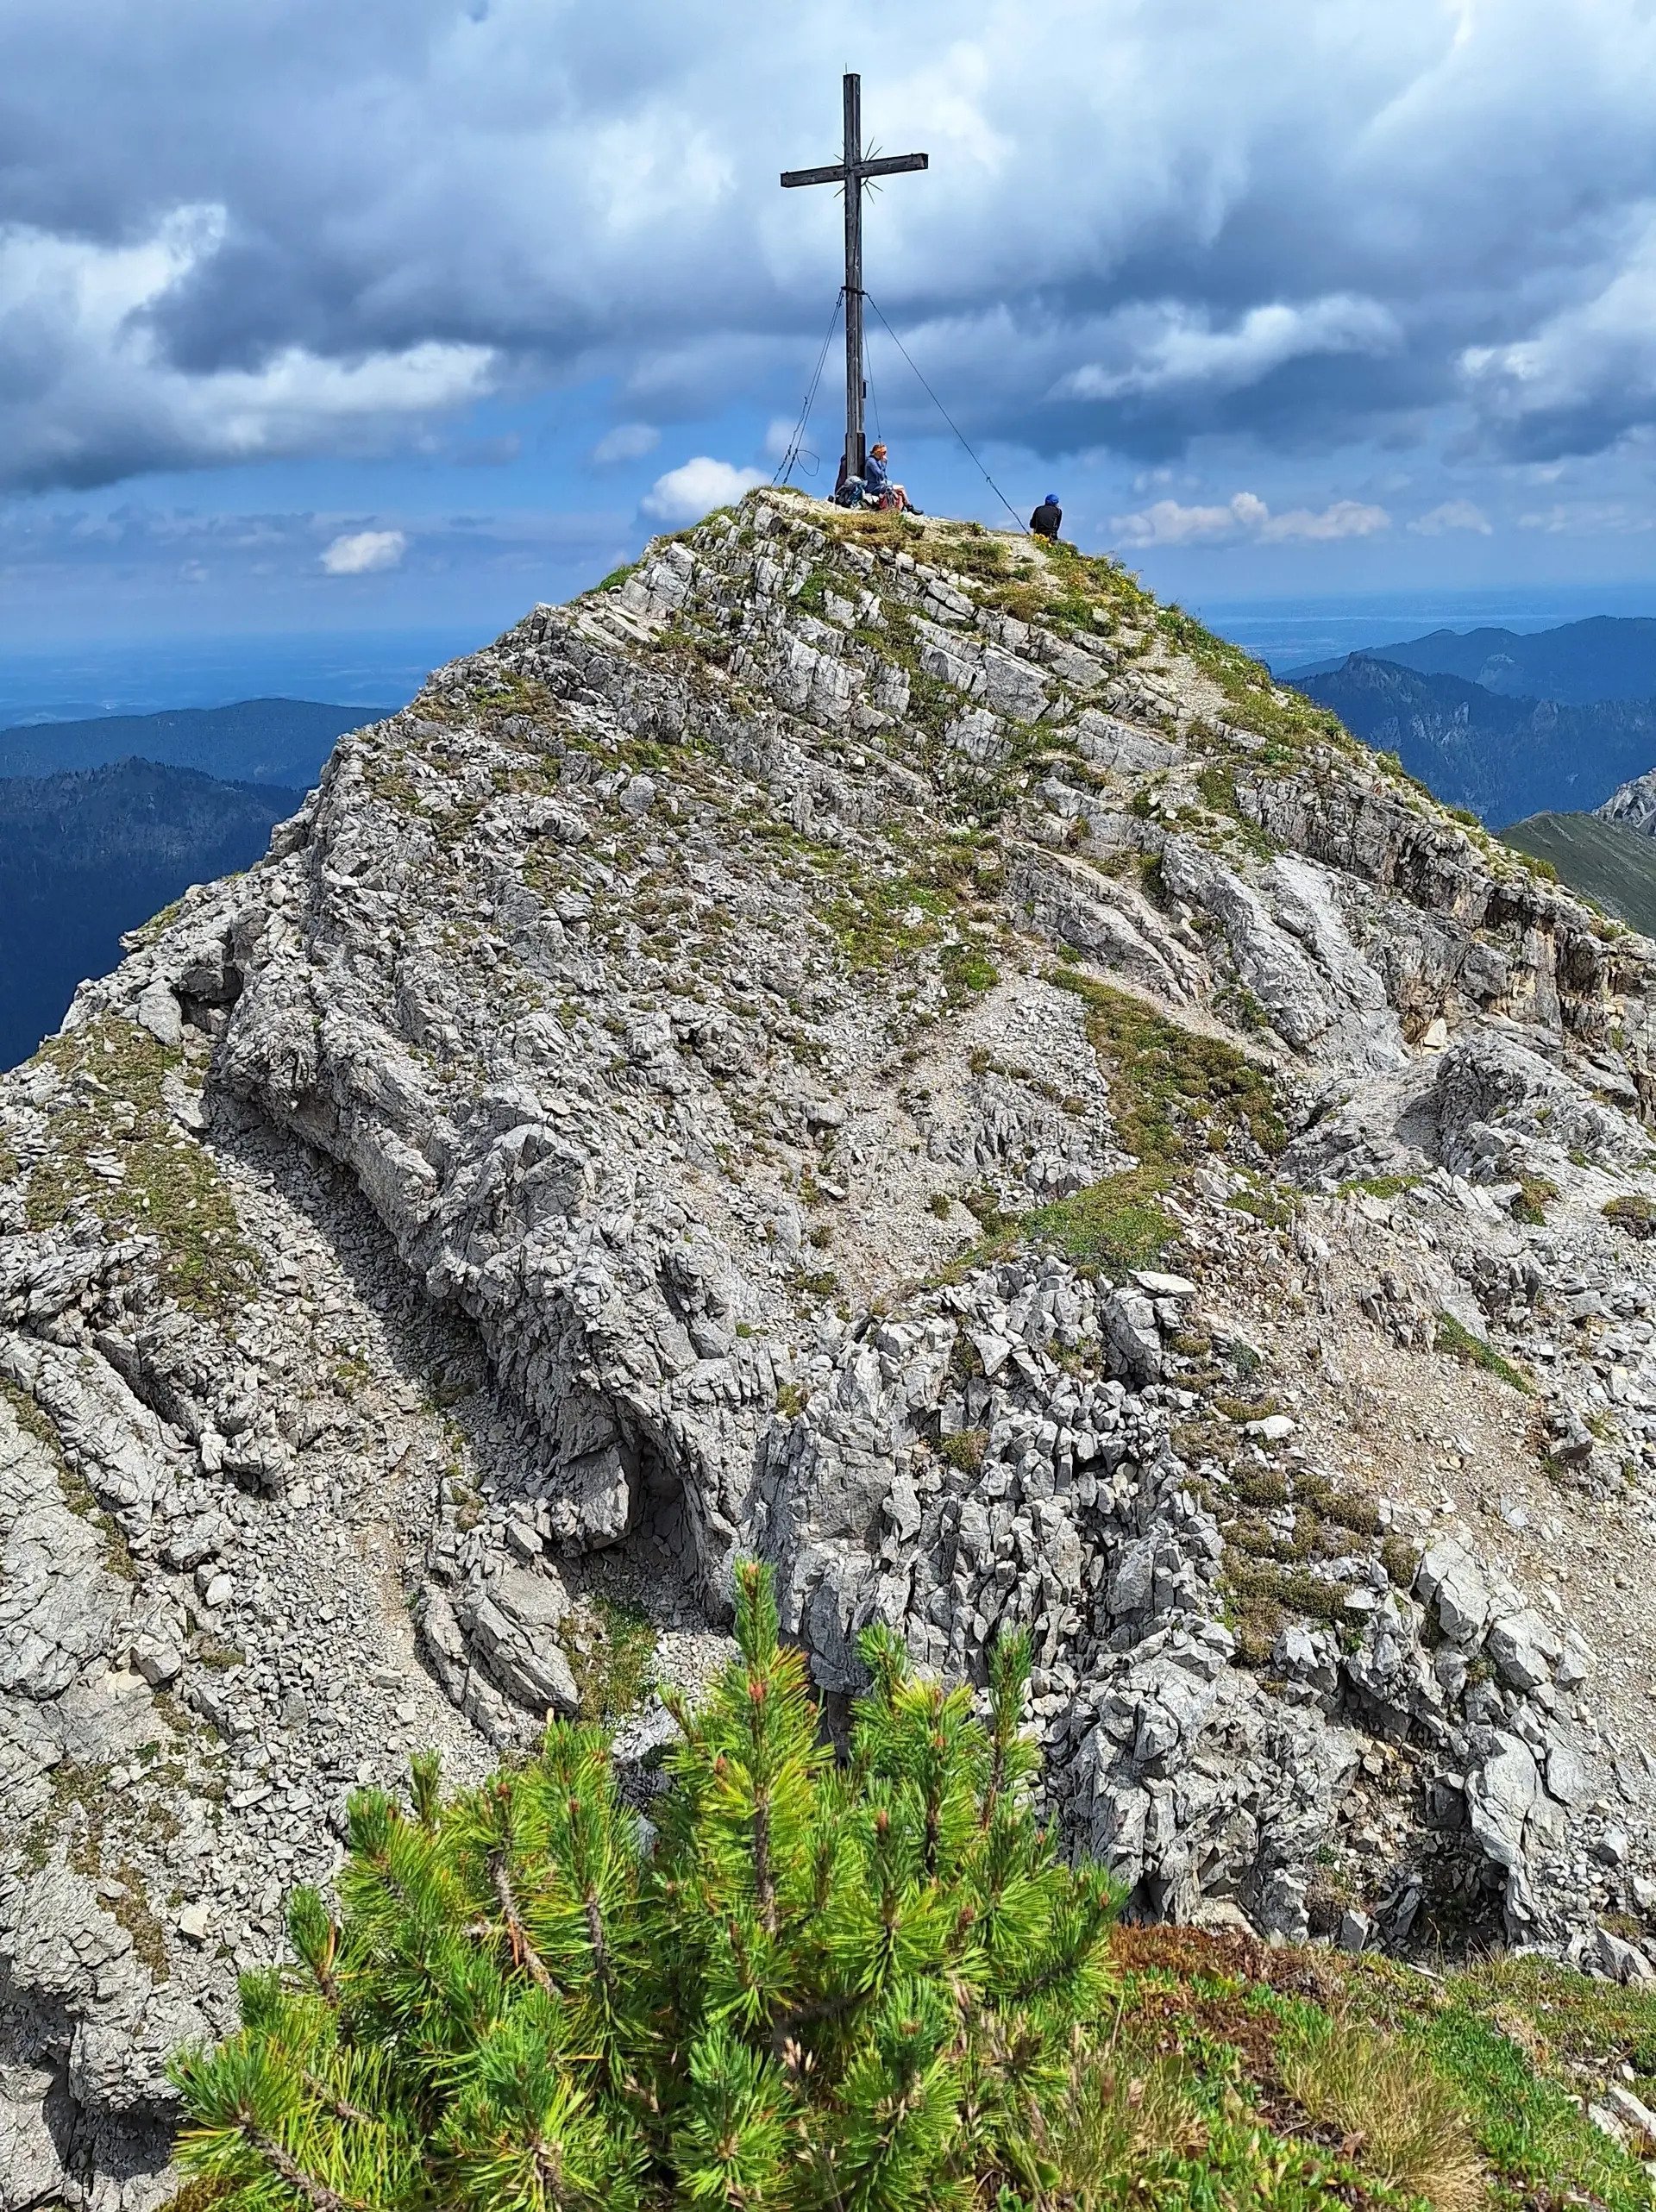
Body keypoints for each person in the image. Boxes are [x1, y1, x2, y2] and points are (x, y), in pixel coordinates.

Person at [863, 442, 923, 514]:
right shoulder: (871, 461)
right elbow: (880, 475)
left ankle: (904, 508)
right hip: (874, 487)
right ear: (877, 451)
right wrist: (884, 463)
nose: (885, 454)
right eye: (883, 452)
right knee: (901, 488)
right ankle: (909, 507)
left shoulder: (875, 461)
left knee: (900, 492)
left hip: (879, 486)